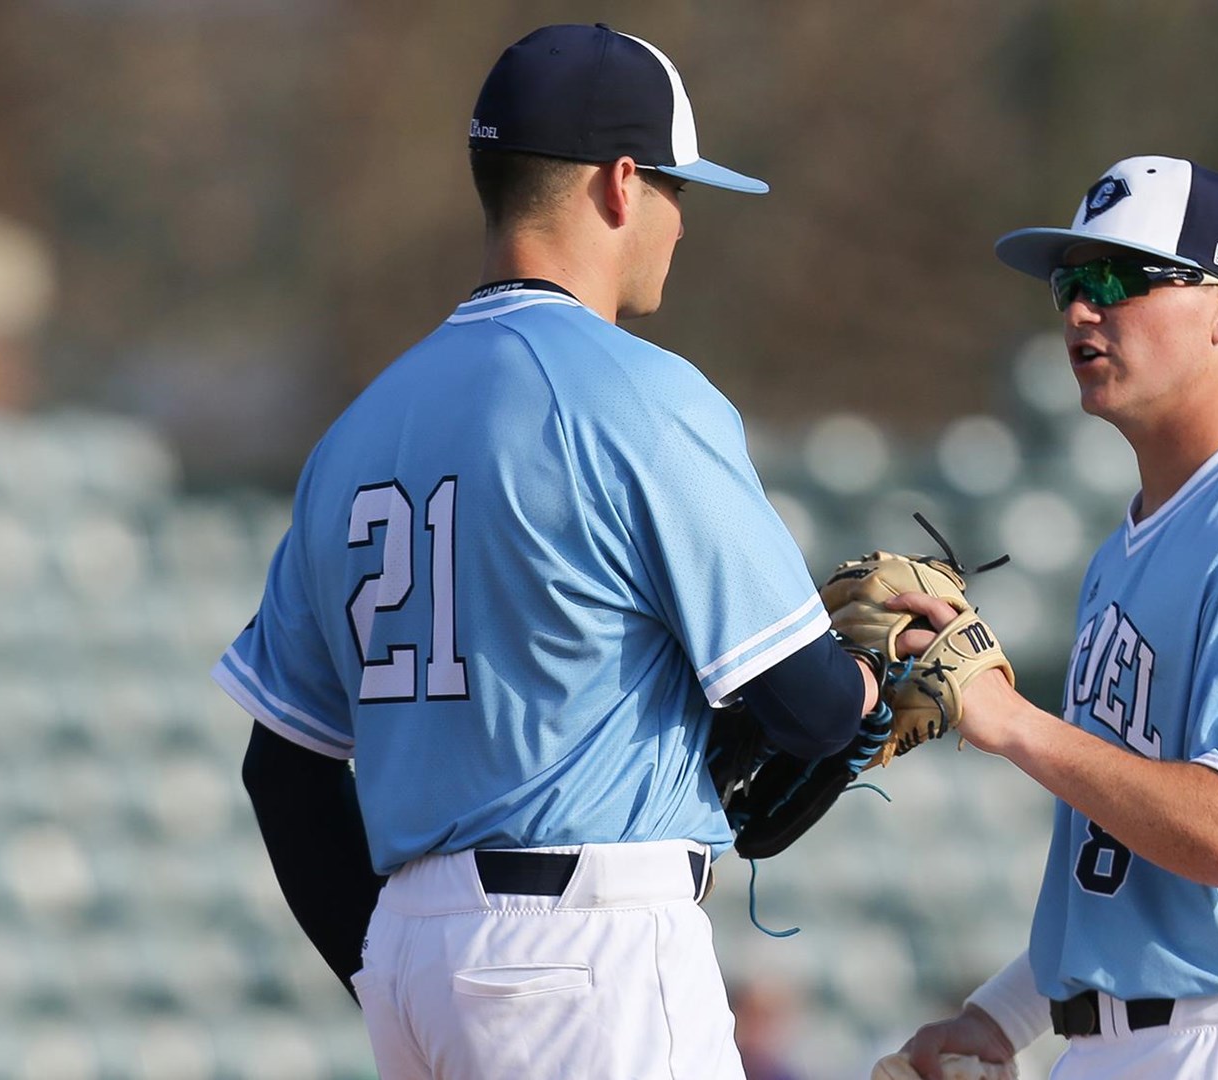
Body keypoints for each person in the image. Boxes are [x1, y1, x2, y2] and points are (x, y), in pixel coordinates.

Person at [214, 24, 880, 1080]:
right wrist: (877, 677)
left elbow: (282, 769)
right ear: (621, 182)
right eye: (676, 187)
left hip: (417, 964)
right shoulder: (639, 394)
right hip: (586, 956)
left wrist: (388, 968)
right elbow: (809, 706)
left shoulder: (358, 430)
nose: (680, 220)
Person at [891, 157, 1218, 1079]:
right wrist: (1005, 1015)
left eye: (1121, 279)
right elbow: (1129, 851)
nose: (1083, 310)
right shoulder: (1126, 548)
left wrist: (1013, 723)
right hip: (1129, 1043)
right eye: (1071, 285)